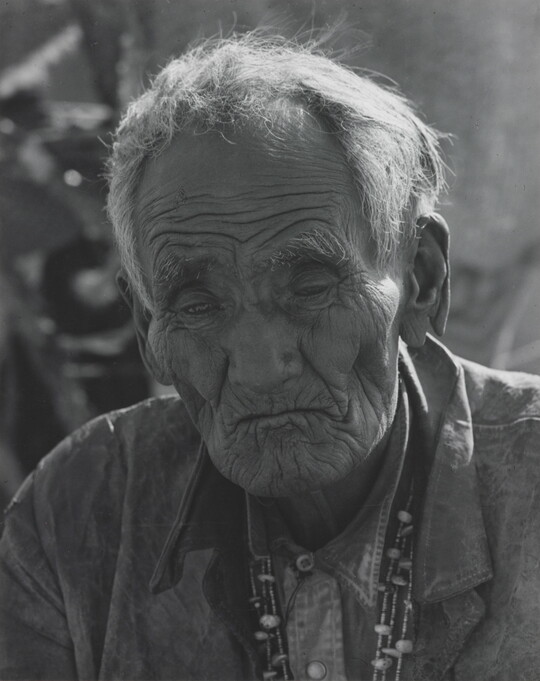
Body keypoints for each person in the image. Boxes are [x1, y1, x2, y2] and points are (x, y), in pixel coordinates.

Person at [1, 35, 539, 681]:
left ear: (421, 279)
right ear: (147, 327)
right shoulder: (77, 515)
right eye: (197, 304)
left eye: (312, 288)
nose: (260, 367)